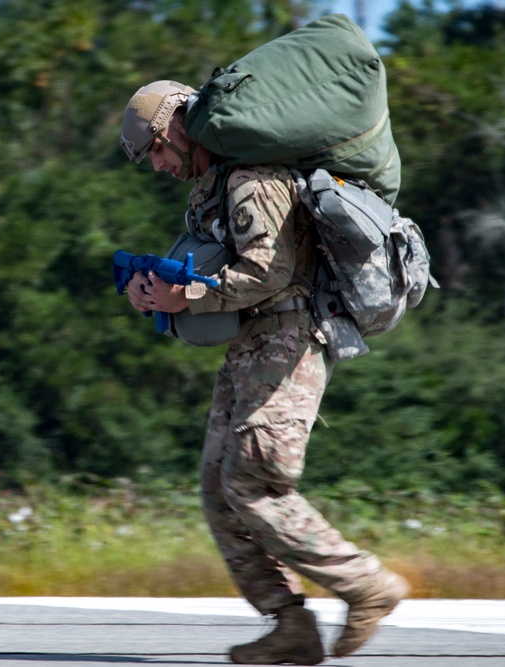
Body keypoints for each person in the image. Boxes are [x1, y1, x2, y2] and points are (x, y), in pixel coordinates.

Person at [119, 80, 410, 665]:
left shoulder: (253, 180)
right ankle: (289, 624)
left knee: (255, 482)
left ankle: (365, 587)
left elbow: (268, 274)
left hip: (289, 339)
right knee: (217, 490)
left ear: (178, 124)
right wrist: (155, 291)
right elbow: (211, 268)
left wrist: (187, 298)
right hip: (250, 346)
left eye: (155, 149)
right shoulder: (212, 189)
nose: (157, 165)